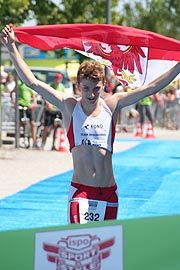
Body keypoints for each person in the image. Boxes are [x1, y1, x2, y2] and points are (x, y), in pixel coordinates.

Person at [1, 25, 180, 224]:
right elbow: (33, 83)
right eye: (86, 89)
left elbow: (150, 88)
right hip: (82, 191)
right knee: (81, 244)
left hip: (109, 192)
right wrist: (12, 49)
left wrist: (178, 66)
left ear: (103, 85)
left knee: (106, 251)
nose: (91, 94)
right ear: (78, 86)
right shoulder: (69, 106)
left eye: (96, 89)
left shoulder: (112, 105)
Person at [40, 73, 65, 150]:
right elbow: (45, 96)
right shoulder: (50, 85)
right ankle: (43, 143)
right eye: (56, 79)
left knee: (56, 128)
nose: (57, 81)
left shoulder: (62, 87)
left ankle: (53, 145)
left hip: (57, 109)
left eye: (59, 79)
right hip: (49, 109)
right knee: (46, 127)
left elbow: (62, 96)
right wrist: (48, 104)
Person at [11, 79, 38, 148]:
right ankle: (18, 140)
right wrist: (13, 102)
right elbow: (12, 92)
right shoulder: (19, 83)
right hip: (20, 105)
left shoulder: (29, 84)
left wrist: (34, 103)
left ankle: (34, 141)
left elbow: (33, 95)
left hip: (28, 106)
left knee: (32, 123)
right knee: (19, 123)